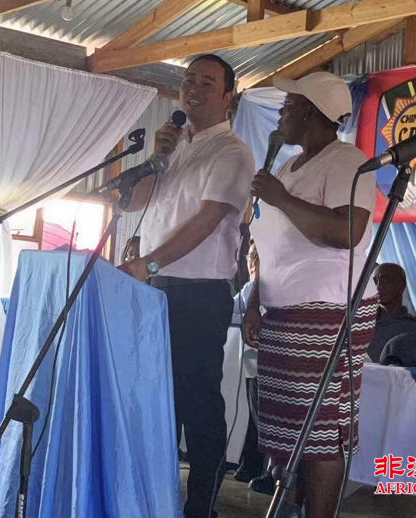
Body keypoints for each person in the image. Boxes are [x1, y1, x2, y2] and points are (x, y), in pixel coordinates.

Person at [119, 54, 255, 518]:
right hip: (155, 290)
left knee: (197, 405)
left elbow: (207, 219)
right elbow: (130, 203)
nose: (193, 88)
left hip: (198, 294)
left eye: (207, 82)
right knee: (158, 400)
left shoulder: (232, 152)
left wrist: (149, 263)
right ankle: (157, 498)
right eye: (188, 79)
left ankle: (201, 506)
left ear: (228, 96)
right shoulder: (175, 147)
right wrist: (156, 158)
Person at [244, 71, 378, 518]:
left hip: (331, 312)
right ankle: (293, 509)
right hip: (282, 312)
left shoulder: (346, 161)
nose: (280, 115)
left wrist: (281, 198)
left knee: (321, 429)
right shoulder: (287, 167)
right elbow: (266, 247)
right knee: (291, 428)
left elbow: (347, 232)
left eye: (287, 106)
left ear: (310, 112)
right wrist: (254, 302)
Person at [231, 241, 265, 483]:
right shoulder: (247, 289)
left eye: (259, 258)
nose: (254, 263)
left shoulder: (271, 287)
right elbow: (230, 313)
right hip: (246, 365)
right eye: (252, 258)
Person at [368, 263, 416, 367]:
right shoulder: (362, 323)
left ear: (401, 285)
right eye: (375, 282)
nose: (378, 287)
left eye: (386, 280)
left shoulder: (414, 327)